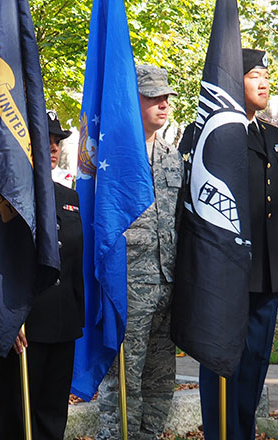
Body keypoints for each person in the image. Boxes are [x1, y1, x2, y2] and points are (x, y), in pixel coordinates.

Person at [195, 48, 278, 440]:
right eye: (254, 76)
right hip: (229, 269)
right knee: (222, 362)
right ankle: (221, 434)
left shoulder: (272, 134)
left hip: (267, 271)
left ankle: (243, 433)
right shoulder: (217, 134)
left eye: (267, 75)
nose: (265, 82)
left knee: (254, 364)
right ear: (236, 82)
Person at [95, 64, 181, 440]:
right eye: (154, 98)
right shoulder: (113, 158)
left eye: (166, 98)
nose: (163, 105)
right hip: (128, 287)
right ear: (135, 100)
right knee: (123, 383)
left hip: (167, 285)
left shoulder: (172, 157)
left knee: (161, 381)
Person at [0, 110, 84, 440]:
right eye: (46, 141)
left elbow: (74, 266)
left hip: (62, 325)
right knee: (20, 420)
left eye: (57, 142)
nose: (54, 148)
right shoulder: (5, 197)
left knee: (52, 415)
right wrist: (4, 317)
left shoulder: (69, 199)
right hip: (24, 324)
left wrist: (77, 317)